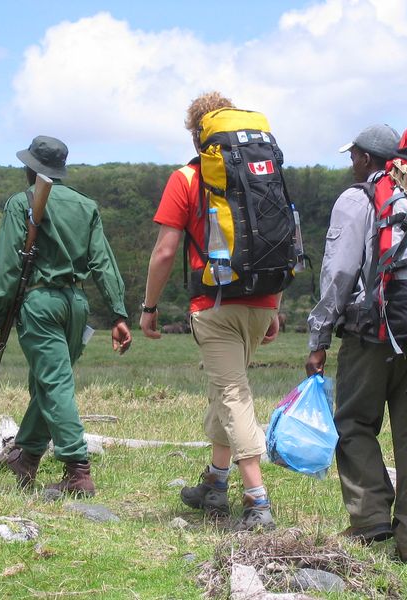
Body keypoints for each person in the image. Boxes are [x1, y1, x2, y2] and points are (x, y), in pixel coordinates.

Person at [305, 125, 407, 567]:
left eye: (355, 157)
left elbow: (339, 273)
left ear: (367, 159)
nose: (351, 165)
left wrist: (319, 337)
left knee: (352, 422)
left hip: (373, 333)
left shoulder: (357, 199)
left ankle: (369, 518)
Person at [139, 91, 281, 530]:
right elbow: (275, 238)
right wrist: (273, 305)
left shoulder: (186, 178)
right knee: (225, 390)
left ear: (197, 132)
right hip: (261, 302)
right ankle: (215, 483)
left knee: (234, 395)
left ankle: (257, 500)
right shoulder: (261, 178)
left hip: (215, 304)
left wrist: (149, 307)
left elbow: (165, 251)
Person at [0, 135, 132, 497]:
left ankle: (77, 469)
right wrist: (118, 313)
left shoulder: (21, 203)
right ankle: (28, 457)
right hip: (76, 306)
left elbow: (6, 267)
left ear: (30, 167)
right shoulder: (86, 206)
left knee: (54, 384)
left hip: (39, 303)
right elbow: (104, 263)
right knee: (48, 385)